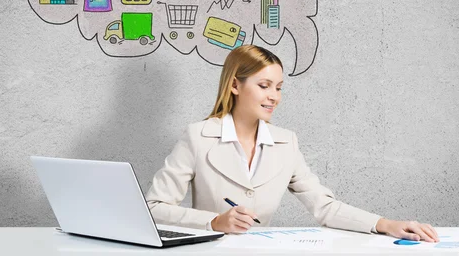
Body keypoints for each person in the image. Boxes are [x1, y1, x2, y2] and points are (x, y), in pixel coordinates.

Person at [146, 45, 438, 242]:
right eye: (264, 86)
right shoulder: (198, 136)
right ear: (235, 85)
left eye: (279, 87)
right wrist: (213, 223)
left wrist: (386, 224)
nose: (274, 96)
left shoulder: (286, 143)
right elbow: (154, 208)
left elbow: (324, 206)